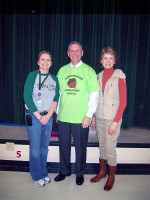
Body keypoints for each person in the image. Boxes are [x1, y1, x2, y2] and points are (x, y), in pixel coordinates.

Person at [54, 41, 99, 185]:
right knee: (64, 145)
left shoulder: (89, 71)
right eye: (71, 51)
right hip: (64, 116)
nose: (74, 53)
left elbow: (94, 95)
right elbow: (59, 94)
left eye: (77, 50)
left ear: (82, 52)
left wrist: (89, 115)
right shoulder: (62, 71)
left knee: (80, 147)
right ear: (68, 54)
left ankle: (80, 173)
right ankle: (64, 171)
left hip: (81, 118)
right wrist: (57, 112)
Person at [90, 47, 127, 191]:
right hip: (99, 118)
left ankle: (111, 178)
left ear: (114, 60)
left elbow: (123, 102)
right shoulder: (98, 77)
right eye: (105, 58)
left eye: (111, 58)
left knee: (110, 150)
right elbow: (95, 99)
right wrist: (93, 117)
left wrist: (116, 122)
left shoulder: (119, 77)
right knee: (102, 147)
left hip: (112, 120)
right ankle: (102, 172)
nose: (108, 61)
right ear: (101, 60)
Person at [23, 50, 59, 187]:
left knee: (44, 147)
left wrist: (48, 116)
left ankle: (43, 172)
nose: (45, 62)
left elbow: (56, 99)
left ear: (51, 63)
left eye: (48, 60)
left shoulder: (54, 79)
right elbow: (27, 97)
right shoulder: (32, 76)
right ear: (38, 62)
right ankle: (36, 175)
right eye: (42, 60)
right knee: (36, 149)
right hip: (33, 116)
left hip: (48, 117)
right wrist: (39, 116)